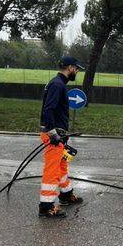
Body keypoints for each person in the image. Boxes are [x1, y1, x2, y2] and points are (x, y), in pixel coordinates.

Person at [38, 56, 85, 218]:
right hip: (54, 135)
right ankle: (46, 207)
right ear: (70, 67)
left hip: (59, 135)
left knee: (61, 166)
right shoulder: (57, 85)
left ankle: (66, 195)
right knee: (52, 170)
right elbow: (48, 110)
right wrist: (53, 134)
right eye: (76, 69)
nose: (77, 72)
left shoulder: (58, 83)